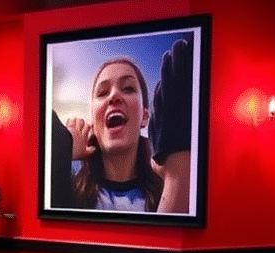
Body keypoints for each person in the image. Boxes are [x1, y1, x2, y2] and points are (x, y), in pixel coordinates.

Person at [59, 38, 192, 213]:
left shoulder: (170, 183)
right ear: (92, 119)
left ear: (144, 117)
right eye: (102, 92)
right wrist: (64, 150)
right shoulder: (66, 187)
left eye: (128, 88)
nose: (114, 96)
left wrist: (177, 176)